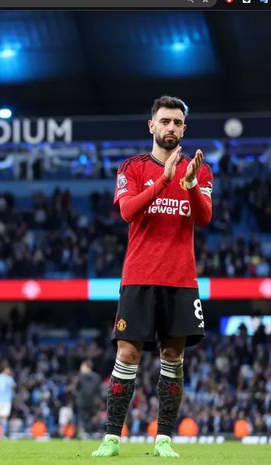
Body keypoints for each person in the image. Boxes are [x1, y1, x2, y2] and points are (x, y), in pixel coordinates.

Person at [92, 96, 213, 458]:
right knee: (127, 353)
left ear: (184, 129)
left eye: (177, 122)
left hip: (181, 279)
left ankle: (163, 439)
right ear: (152, 126)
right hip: (139, 277)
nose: (171, 127)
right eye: (165, 121)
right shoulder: (131, 168)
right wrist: (164, 180)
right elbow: (128, 211)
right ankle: (112, 437)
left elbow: (204, 218)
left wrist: (189, 182)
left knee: (173, 354)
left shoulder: (200, 170)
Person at [75, 360, 100, 439]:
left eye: (82, 366)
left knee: (82, 419)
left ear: (86, 366)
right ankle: (91, 433)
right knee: (92, 418)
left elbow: (77, 388)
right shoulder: (97, 377)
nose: (80, 368)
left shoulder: (80, 376)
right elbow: (99, 390)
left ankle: (82, 434)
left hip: (82, 401)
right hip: (93, 402)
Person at [0, 365, 15, 438]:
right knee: (3, 417)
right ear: (4, 370)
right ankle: (1, 433)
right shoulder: (10, 379)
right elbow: (14, 387)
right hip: (6, 400)